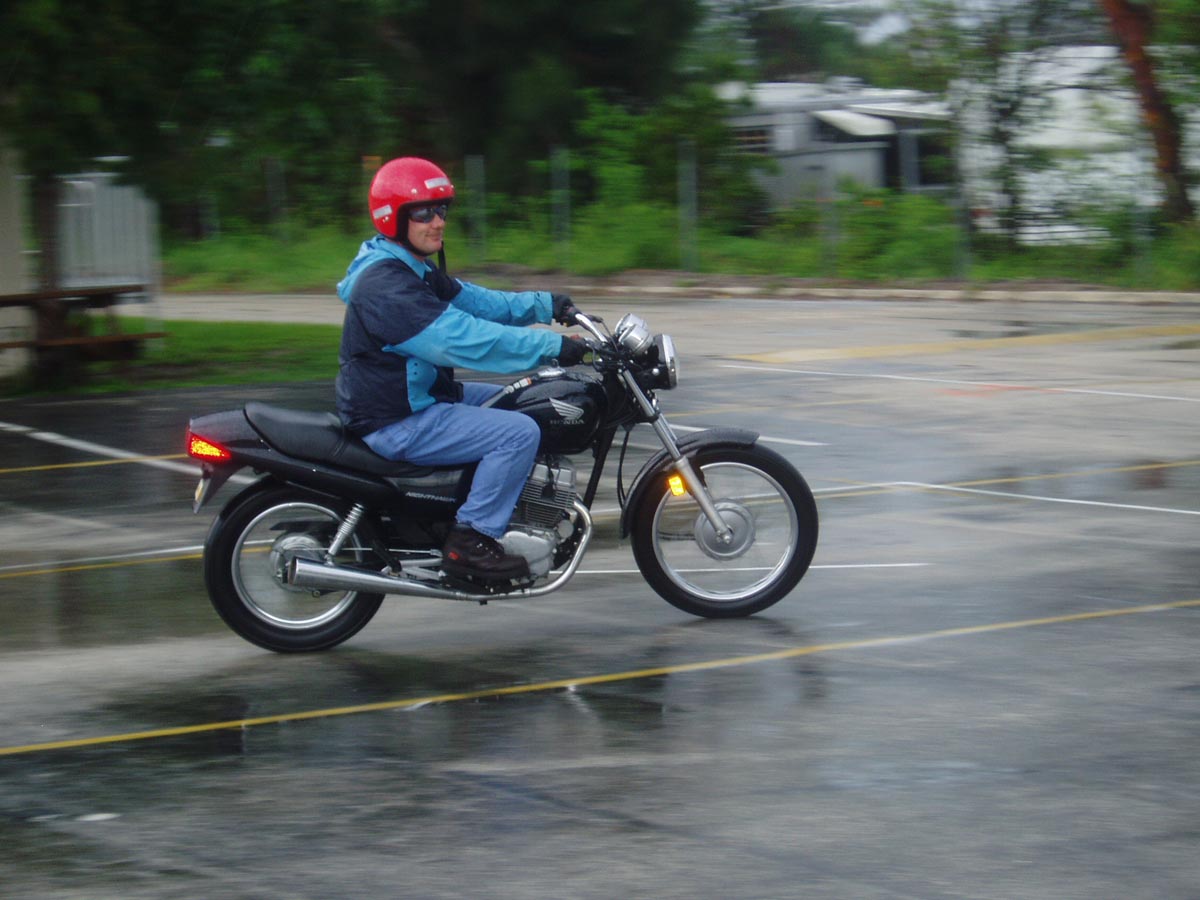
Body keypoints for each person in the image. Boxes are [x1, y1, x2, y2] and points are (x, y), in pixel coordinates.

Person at [335, 156, 587, 583]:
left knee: (523, 401)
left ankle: (492, 507)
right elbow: (464, 339)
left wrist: (547, 305)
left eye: (441, 210)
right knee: (518, 432)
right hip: (396, 417)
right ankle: (471, 540)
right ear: (393, 217)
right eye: (423, 213)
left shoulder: (410, 268)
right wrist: (553, 348)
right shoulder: (387, 286)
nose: (438, 222)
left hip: (421, 397)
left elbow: (477, 302)